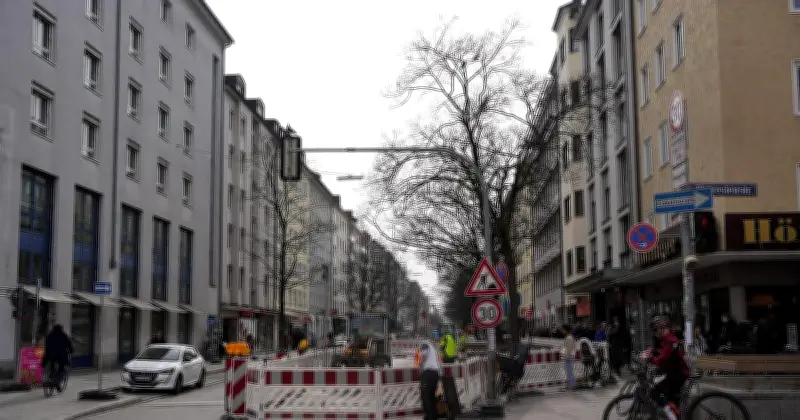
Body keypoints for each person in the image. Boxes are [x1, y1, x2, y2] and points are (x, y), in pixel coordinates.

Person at [643, 315, 690, 420]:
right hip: (674, 372)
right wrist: (653, 352)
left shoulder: (670, 340)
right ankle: (673, 411)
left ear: (662, 328)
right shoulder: (667, 338)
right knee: (665, 394)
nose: (655, 333)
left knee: (655, 389)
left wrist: (651, 358)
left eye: (656, 330)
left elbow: (664, 359)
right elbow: (664, 353)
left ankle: (673, 416)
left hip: (677, 374)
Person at [41, 324, 73, 392]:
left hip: (50, 355)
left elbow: (47, 346)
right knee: (62, 368)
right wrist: (71, 350)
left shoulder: (49, 335)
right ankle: (57, 381)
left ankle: (49, 377)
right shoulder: (64, 335)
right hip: (61, 355)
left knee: (51, 364)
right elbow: (69, 345)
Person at [418, 341, 442, 420]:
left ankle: (429, 417)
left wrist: (420, 368)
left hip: (428, 373)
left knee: (426, 397)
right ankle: (433, 416)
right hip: (435, 373)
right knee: (432, 397)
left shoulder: (424, 343)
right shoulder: (432, 347)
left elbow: (424, 355)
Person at [560, 324, 577, 391]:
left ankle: (572, 386)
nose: (562, 331)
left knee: (569, 372)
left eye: (563, 329)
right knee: (569, 372)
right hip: (568, 357)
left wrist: (565, 357)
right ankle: (570, 385)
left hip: (568, 357)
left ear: (565, 330)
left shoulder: (569, 337)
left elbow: (569, 349)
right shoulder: (568, 337)